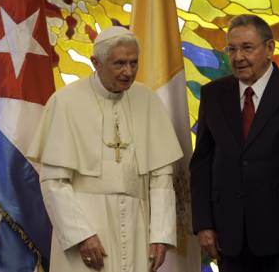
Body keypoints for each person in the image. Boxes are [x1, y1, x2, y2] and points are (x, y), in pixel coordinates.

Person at [33, 26, 183, 272]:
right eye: (120, 64)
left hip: (136, 225)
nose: (128, 72)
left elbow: (161, 178)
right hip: (87, 223)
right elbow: (53, 181)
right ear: (96, 63)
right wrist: (81, 235)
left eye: (134, 63)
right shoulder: (66, 102)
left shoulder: (148, 101)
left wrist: (160, 235)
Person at [190, 14, 279, 272]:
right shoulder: (213, 94)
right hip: (230, 240)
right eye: (232, 49)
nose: (238, 57)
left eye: (247, 48)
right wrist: (204, 224)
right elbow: (202, 164)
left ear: (269, 48)